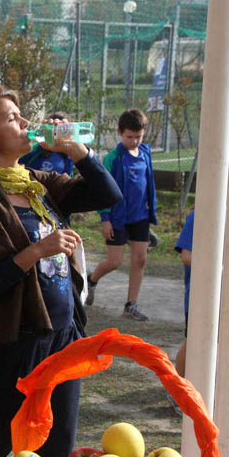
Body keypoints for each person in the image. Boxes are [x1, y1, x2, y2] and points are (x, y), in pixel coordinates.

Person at [0, 83, 121, 457]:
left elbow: (108, 195)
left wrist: (76, 151)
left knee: (57, 455)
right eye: (13, 118)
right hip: (16, 344)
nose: (26, 122)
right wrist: (36, 252)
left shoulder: (38, 184)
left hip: (62, 336)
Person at [85, 108, 158, 321]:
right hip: (117, 218)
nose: (134, 141)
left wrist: (151, 212)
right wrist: (105, 219)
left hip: (140, 218)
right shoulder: (113, 158)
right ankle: (91, 280)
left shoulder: (145, 153)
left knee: (140, 260)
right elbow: (102, 189)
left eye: (138, 137)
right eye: (130, 137)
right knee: (114, 262)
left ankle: (130, 305)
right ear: (119, 132)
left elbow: (148, 185)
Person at [172, 209, 195, 378]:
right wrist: (220, 268)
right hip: (199, 295)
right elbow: (186, 256)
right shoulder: (198, 215)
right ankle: (176, 390)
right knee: (193, 341)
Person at [18, 111, 74, 175]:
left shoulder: (67, 156)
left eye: (63, 131)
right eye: (54, 129)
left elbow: (68, 180)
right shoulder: (33, 149)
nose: (56, 134)